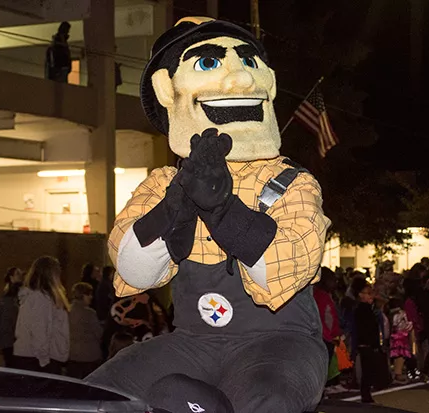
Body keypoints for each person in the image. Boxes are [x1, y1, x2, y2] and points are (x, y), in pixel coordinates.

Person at [86, 16, 330, 413]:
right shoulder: (162, 183)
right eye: (208, 62)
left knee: (265, 400)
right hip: (191, 342)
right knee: (98, 396)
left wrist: (223, 210)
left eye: (248, 62)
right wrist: (172, 210)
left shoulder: (291, 182)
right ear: (167, 90)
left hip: (278, 342)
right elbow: (134, 272)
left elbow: (286, 271)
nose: (243, 79)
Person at [13, 256, 70, 374]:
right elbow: (40, 330)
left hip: (35, 357)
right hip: (38, 359)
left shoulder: (39, 297)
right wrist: (44, 360)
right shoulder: (40, 298)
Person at [351, 278, 379, 403]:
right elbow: (365, 328)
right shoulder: (361, 309)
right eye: (368, 293)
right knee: (367, 370)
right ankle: (365, 395)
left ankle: (366, 394)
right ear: (360, 295)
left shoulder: (368, 308)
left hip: (368, 343)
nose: (371, 296)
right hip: (365, 343)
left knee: (369, 370)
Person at [68, 282, 103, 379]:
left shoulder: (67, 310)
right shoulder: (89, 313)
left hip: (72, 354)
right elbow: (99, 333)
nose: (91, 297)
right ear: (83, 295)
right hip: (89, 355)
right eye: (89, 294)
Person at [0, 270, 22, 368]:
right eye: (17, 274)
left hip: (11, 340)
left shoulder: (10, 298)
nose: (20, 276)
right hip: (11, 340)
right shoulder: (9, 299)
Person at [389, 297, 413, 384]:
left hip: (394, 337)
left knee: (397, 356)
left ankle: (397, 373)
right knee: (401, 356)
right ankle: (398, 374)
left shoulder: (390, 314)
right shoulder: (402, 314)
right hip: (401, 337)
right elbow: (407, 325)